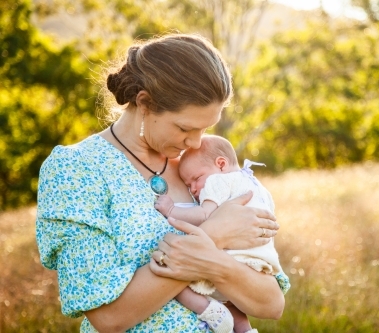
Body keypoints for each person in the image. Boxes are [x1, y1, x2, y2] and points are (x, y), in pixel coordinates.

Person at [36, 33, 290, 333]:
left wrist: (211, 262)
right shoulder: (78, 169)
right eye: (185, 127)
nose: (196, 142)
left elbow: (270, 304)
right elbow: (109, 318)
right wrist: (213, 234)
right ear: (144, 103)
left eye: (205, 128)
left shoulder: (201, 171)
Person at [155, 134, 282, 333]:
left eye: (196, 179)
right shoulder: (256, 185)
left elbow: (204, 214)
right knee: (233, 303)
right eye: (188, 185)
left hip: (234, 255)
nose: (194, 189)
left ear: (221, 164)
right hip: (259, 263)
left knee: (172, 281)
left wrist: (171, 210)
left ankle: (209, 311)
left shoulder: (218, 182)